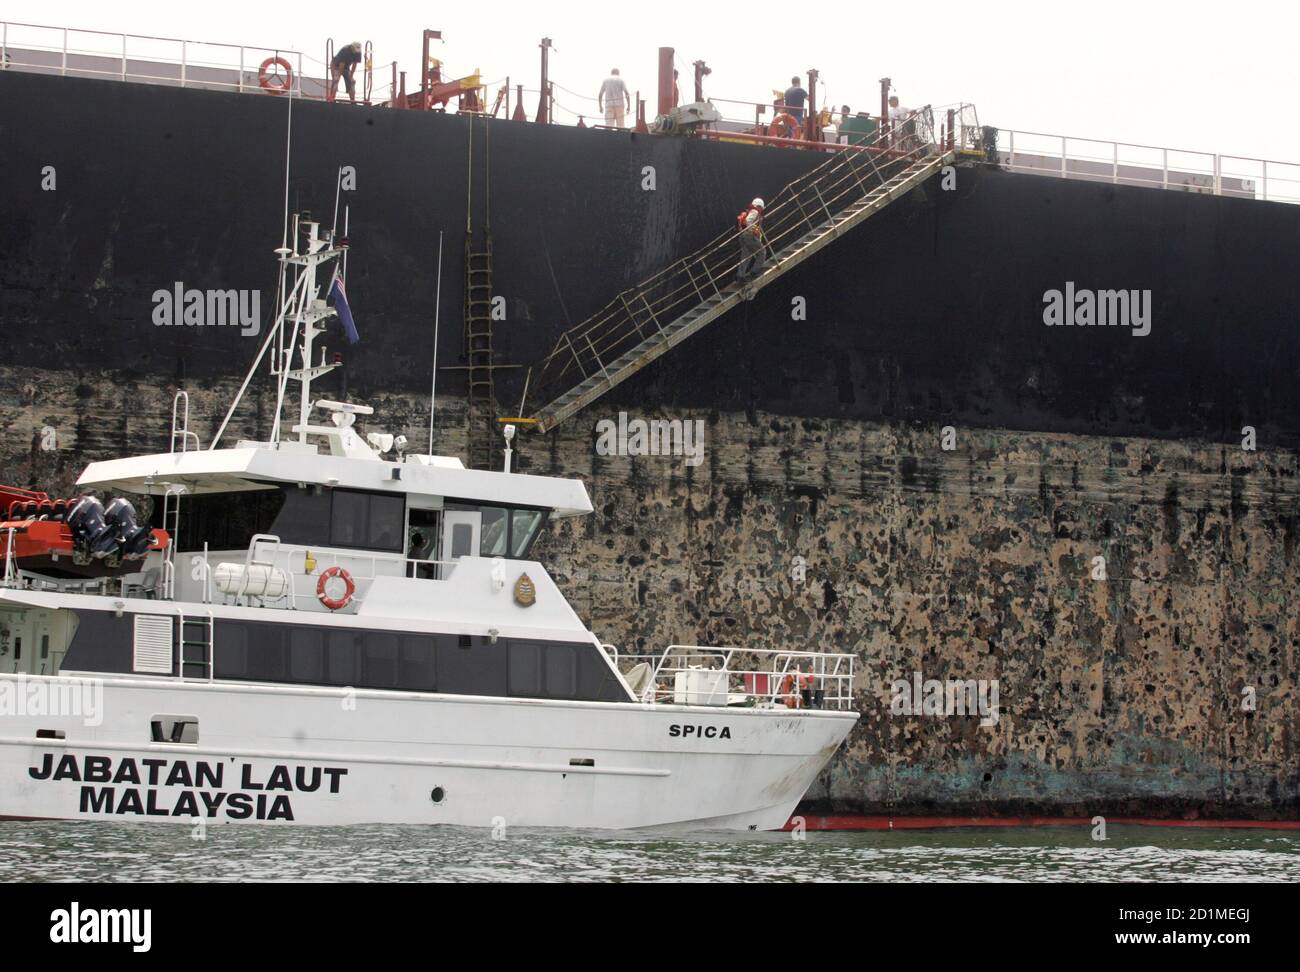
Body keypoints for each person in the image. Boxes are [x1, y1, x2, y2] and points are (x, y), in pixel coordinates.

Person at [735, 198, 766, 294]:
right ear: (759, 206)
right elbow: (748, 221)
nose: (761, 209)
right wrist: (753, 230)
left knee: (746, 257)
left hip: (743, 236)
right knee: (762, 252)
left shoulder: (749, 211)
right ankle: (755, 272)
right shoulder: (755, 211)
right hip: (749, 236)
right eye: (761, 207)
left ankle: (740, 276)